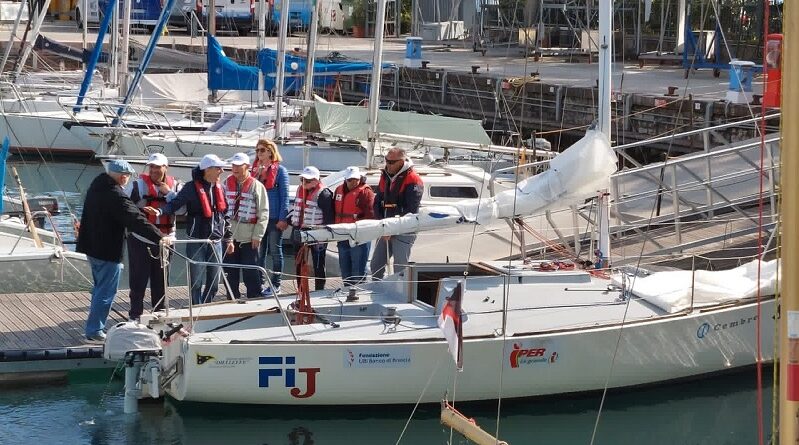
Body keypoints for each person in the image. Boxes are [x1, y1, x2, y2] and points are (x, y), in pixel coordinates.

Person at [77, 159, 167, 343]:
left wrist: (139, 208)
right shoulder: (115, 194)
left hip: (91, 247)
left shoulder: (97, 186)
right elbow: (133, 218)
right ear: (122, 176)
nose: (127, 180)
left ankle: (93, 326)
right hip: (107, 250)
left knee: (98, 289)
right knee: (106, 292)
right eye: (126, 176)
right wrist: (160, 237)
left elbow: (122, 211)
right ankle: (94, 331)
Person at [144, 154, 233, 305]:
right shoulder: (191, 188)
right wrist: (159, 212)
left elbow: (226, 214)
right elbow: (175, 204)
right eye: (218, 168)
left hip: (216, 241)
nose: (222, 170)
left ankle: (205, 307)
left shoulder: (221, 188)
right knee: (196, 281)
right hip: (196, 240)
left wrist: (228, 238)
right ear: (207, 170)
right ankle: (197, 306)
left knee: (214, 281)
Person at [124, 153, 182, 320]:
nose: (154, 170)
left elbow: (182, 210)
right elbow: (124, 208)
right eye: (152, 167)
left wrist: (169, 193)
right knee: (138, 279)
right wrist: (141, 212)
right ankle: (135, 315)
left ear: (166, 167)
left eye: (158, 167)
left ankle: (159, 314)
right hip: (141, 239)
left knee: (161, 281)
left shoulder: (176, 187)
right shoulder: (137, 186)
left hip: (166, 240)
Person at [370, 147, 424, 279]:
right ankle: (377, 288)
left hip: (404, 229)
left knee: (400, 267)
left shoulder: (413, 179)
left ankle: (400, 292)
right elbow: (377, 202)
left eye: (392, 162)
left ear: (402, 161)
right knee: (376, 264)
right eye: (386, 160)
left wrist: (392, 229)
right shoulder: (385, 176)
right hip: (386, 227)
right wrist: (381, 224)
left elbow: (411, 209)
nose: (388, 164)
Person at [222, 152, 269, 299]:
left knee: (251, 271)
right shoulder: (225, 184)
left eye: (238, 165)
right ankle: (232, 297)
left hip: (249, 237)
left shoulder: (257, 186)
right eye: (233, 165)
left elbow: (264, 213)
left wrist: (258, 235)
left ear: (247, 166)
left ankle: (254, 297)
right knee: (230, 271)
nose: (235, 168)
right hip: (229, 237)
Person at [251, 139, 289, 295]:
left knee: (275, 251)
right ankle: (259, 282)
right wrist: (257, 175)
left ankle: (276, 284)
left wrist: (283, 218)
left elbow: (284, 196)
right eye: (257, 151)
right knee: (259, 252)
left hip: (274, 217)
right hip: (259, 218)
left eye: (262, 150)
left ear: (270, 151)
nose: (259, 153)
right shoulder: (254, 171)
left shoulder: (281, 171)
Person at [289, 166, 334, 290]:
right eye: (303, 180)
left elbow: (329, 218)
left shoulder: (324, 194)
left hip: (317, 233)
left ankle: (319, 290)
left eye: (308, 181)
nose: (304, 183)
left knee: (318, 264)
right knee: (299, 263)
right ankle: (301, 290)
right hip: (299, 231)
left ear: (316, 180)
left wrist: (324, 234)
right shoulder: (300, 190)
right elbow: (295, 210)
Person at [333, 166, 375, 286]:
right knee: (345, 268)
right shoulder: (338, 190)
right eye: (350, 180)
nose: (353, 182)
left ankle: (359, 292)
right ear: (345, 179)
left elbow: (371, 215)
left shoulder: (366, 192)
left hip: (359, 237)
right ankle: (347, 290)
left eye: (355, 179)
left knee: (358, 270)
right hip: (342, 235)